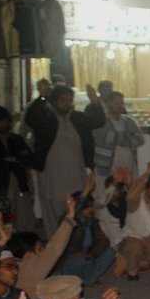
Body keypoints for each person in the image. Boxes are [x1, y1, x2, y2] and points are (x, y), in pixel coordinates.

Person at [26, 83, 106, 235]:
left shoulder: (77, 119)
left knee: (78, 210)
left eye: (69, 100)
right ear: (54, 101)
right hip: (53, 177)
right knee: (54, 212)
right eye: (62, 99)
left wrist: (95, 101)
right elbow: (30, 118)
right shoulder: (46, 119)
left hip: (76, 176)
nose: (66, 103)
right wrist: (43, 96)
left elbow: (99, 121)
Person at [92, 91, 145, 178]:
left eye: (121, 103)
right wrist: (127, 137)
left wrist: (117, 137)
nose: (120, 106)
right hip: (107, 165)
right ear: (108, 103)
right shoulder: (101, 121)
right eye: (116, 103)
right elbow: (106, 139)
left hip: (129, 165)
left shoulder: (129, 121)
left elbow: (140, 139)